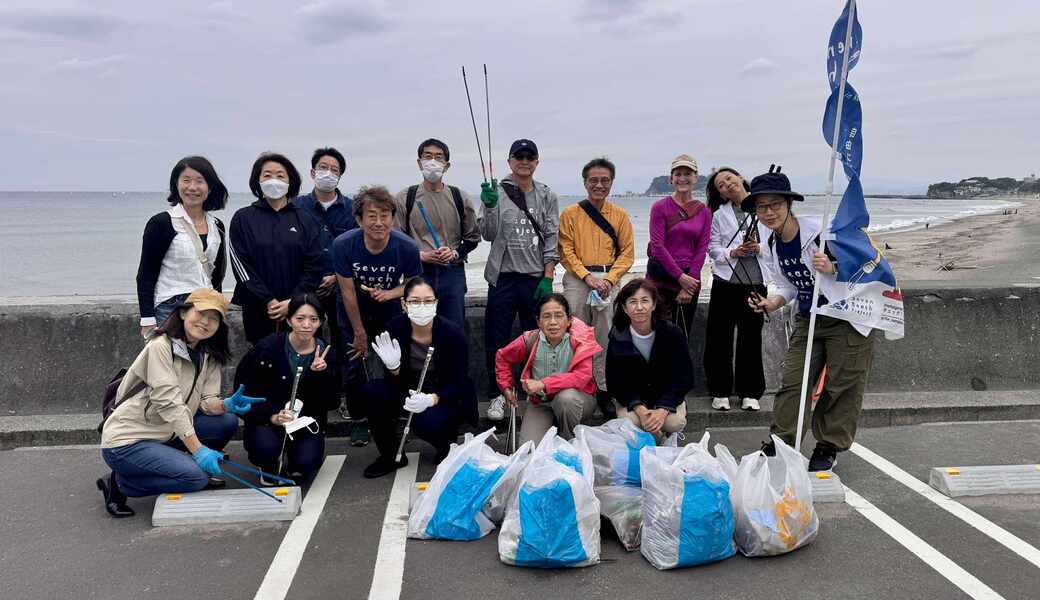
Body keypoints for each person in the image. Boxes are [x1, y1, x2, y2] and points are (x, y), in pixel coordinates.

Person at [746, 167, 877, 472]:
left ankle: (828, 445)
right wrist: (772, 302)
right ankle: (781, 442)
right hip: (809, 317)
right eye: (762, 207)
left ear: (789, 204)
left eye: (775, 204)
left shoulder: (824, 232)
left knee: (841, 385)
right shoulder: (771, 245)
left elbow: (869, 263)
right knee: (793, 382)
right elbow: (789, 285)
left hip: (847, 316)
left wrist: (834, 267)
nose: (768, 212)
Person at [98, 289, 260, 517]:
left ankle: (171, 463)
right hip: (128, 440)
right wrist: (198, 450)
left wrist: (226, 405)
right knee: (195, 478)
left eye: (213, 318)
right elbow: (169, 403)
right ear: (184, 313)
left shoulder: (208, 354)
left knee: (226, 421)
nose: (205, 322)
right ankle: (120, 484)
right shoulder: (160, 346)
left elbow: (206, 402)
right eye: (201, 313)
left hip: (165, 433)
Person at [332, 186, 422, 447]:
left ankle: (394, 416)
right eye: (372, 216)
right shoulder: (343, 245)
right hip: (352, 312)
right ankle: (360, 421)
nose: (379, 222)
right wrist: (359, 332)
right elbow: (347, 292)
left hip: (389, 312)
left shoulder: (405, 246)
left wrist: (391, 293)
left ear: (393, 218)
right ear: (359, 219)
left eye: (385, 215)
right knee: (354, 366)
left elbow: (414, 285)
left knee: (394, 365)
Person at [478, 139, 560, 422]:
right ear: (510, 161)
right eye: (518, 156)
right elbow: (486, 234)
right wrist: (488, 206)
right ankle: (498, 394)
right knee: (496, 340)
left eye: (530, 156)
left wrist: (548, 276)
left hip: (534, 278)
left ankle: (534, 393)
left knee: (537, 339)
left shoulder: (547, 195)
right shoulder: (497, 192)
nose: (524, 161)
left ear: (537, 161)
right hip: (502, 278)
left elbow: (552, 237)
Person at [362, 277, 477, 478]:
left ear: (436, 303)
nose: (421, 306)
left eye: (428, 301)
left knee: (426, 421)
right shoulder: (394, 328)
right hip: (408, 385)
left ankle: (446, 445)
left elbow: (460, 382)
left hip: (442, 391)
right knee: (373, 392)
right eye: (415, 301)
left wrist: (432, 399)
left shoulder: (453, 333)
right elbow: (393, 381)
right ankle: (391, 455)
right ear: (403, 304)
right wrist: (394, 368)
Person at [558, 157, 635, 418]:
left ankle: (603, 389)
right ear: (585, 182)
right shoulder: (570, 214)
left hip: (608, 279)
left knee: (604, 338)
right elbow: (565, 251)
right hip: (578, 280)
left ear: (611, 183)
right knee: (575, 334)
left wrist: (610, 279)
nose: (599, 185)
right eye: (594, 180)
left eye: (604, 180)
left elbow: (626, 254)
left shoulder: (620, 216)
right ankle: (578, 384)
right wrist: (586, 276)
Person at [235, 293, 340, 483]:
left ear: (320, 322)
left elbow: (332, 401)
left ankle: (293, 457)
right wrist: (272, 416)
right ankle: (269, 462)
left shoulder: (326, 353)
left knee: (306, 464)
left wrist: (320, 374)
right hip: (269, 419)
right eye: (300, 318)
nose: (306, 325)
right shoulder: (267, 348)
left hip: (305, 421)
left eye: (313, 319)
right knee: (264, 450)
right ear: (289, 320)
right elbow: (243, 394)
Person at [229, 152, 325, 344]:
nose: (274, 180)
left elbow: (315, 264)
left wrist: (294, 301)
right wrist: (268, 300)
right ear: (258, 180)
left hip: (300, 309)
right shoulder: (243, 218)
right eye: (267, 175)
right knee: (264, 363)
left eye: (280, 175)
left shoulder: (305, 219)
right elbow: (241, 266)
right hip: (259, 308)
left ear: (290, 181)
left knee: (303, 363)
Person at [136, 156, 228, 339]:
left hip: (206, 307)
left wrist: (217, 309)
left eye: (199, 181)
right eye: (186, 180)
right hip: (170, 308)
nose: (192, 187)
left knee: (200, 365)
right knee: (167, 365)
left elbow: (216, 275)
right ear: (176, 184)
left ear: (210, 187)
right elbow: (146, 274)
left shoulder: (217, 226)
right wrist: (148, 319)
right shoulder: (162, 223)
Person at [703, 167, 772, 412]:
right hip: (726, 283)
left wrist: (758, 248)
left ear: (741, 178)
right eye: (721, 185)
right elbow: (712, 248)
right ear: (720, 193)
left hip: (755, 283)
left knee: (750, 338)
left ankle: (750, 392)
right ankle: (720, 390)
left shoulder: (764, 208)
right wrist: (733, 252)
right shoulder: (719, 214)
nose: (727, 185)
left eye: (730, 179)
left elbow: (775, 242)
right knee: (719, 338)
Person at [394, 138, 480, 328]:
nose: (433, 161)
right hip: (418, 273)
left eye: (438, 157)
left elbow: (473, 238)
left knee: (453, 328)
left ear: (446, 165)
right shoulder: (405, 198)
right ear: (419, 162)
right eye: (428, 156)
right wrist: (422, 255)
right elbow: (394, 242)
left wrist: (455, 252)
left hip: (452, 273)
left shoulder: (459, 197)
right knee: (418, 327)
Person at [494, 293, 599, 445]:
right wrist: (506, 387)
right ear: (538, 321)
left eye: (559, 316)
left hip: (577, 400)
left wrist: (543, 383)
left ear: (569, 320)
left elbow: (581, 377)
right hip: (541, 402)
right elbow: (502, 357)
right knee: (529, 450)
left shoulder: (581, 341)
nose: (553, 322)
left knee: (566, 399)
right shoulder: (530, 339)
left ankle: (569, 444)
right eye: (547, 316)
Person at [606, 278, 693, 441]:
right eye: (633, 302)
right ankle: (654, 439)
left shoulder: (672, 333)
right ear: (625, 308)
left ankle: (663, 436)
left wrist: (662, 410)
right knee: (630, 422)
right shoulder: (618, 337)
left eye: (645, 301)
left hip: (665, 396)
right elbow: (615, 383)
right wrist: (640, 409)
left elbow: (684, 378)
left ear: (653, 305)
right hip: (633, 400)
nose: (639, 307)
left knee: (674, 423)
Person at [294, 147, 358, 351]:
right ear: (313, 172)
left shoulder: (353, 209)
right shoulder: (296, 207)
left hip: (343, 286)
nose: (328, 173)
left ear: (340, 176)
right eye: (323, 168)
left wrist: (336, 277)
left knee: (344, 339)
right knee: (308, 339)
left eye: (334, 170)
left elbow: (358, 249)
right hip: (306, 286)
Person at [646, 154, 712, 340]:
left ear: (696, 178)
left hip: (689, 281)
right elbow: (658, 246)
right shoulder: (660, 207)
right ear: (671, 178)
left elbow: (702, 248)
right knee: (656, 336)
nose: (683, 178)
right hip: (661, 278)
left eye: (688, 174)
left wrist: (689, 284)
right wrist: (680, 277)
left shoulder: (704, 212)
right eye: (678, 174)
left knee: (681, 336)